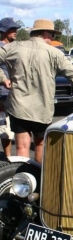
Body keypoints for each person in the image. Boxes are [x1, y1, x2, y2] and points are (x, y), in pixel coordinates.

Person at [0, 19, 73, 164]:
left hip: (19, 106)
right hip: (43, 108)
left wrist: (3, 78)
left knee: (22, 147)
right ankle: (38, 180)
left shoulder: (14, 47)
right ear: (46, 33)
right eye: (53, 34)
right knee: (40, 145)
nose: (53, 38)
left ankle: (23, 181)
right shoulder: (55, 53)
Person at [0, 17, 20, 160]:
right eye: (12, 29)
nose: (15, 32)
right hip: (3, 93)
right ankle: (8, 158)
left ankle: (18, 157)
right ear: (4, 31)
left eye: (16, 29)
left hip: (18, 92)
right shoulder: (0, 47)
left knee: (18, 125)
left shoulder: (16, 47)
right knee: (5, 126)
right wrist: (4, 80)